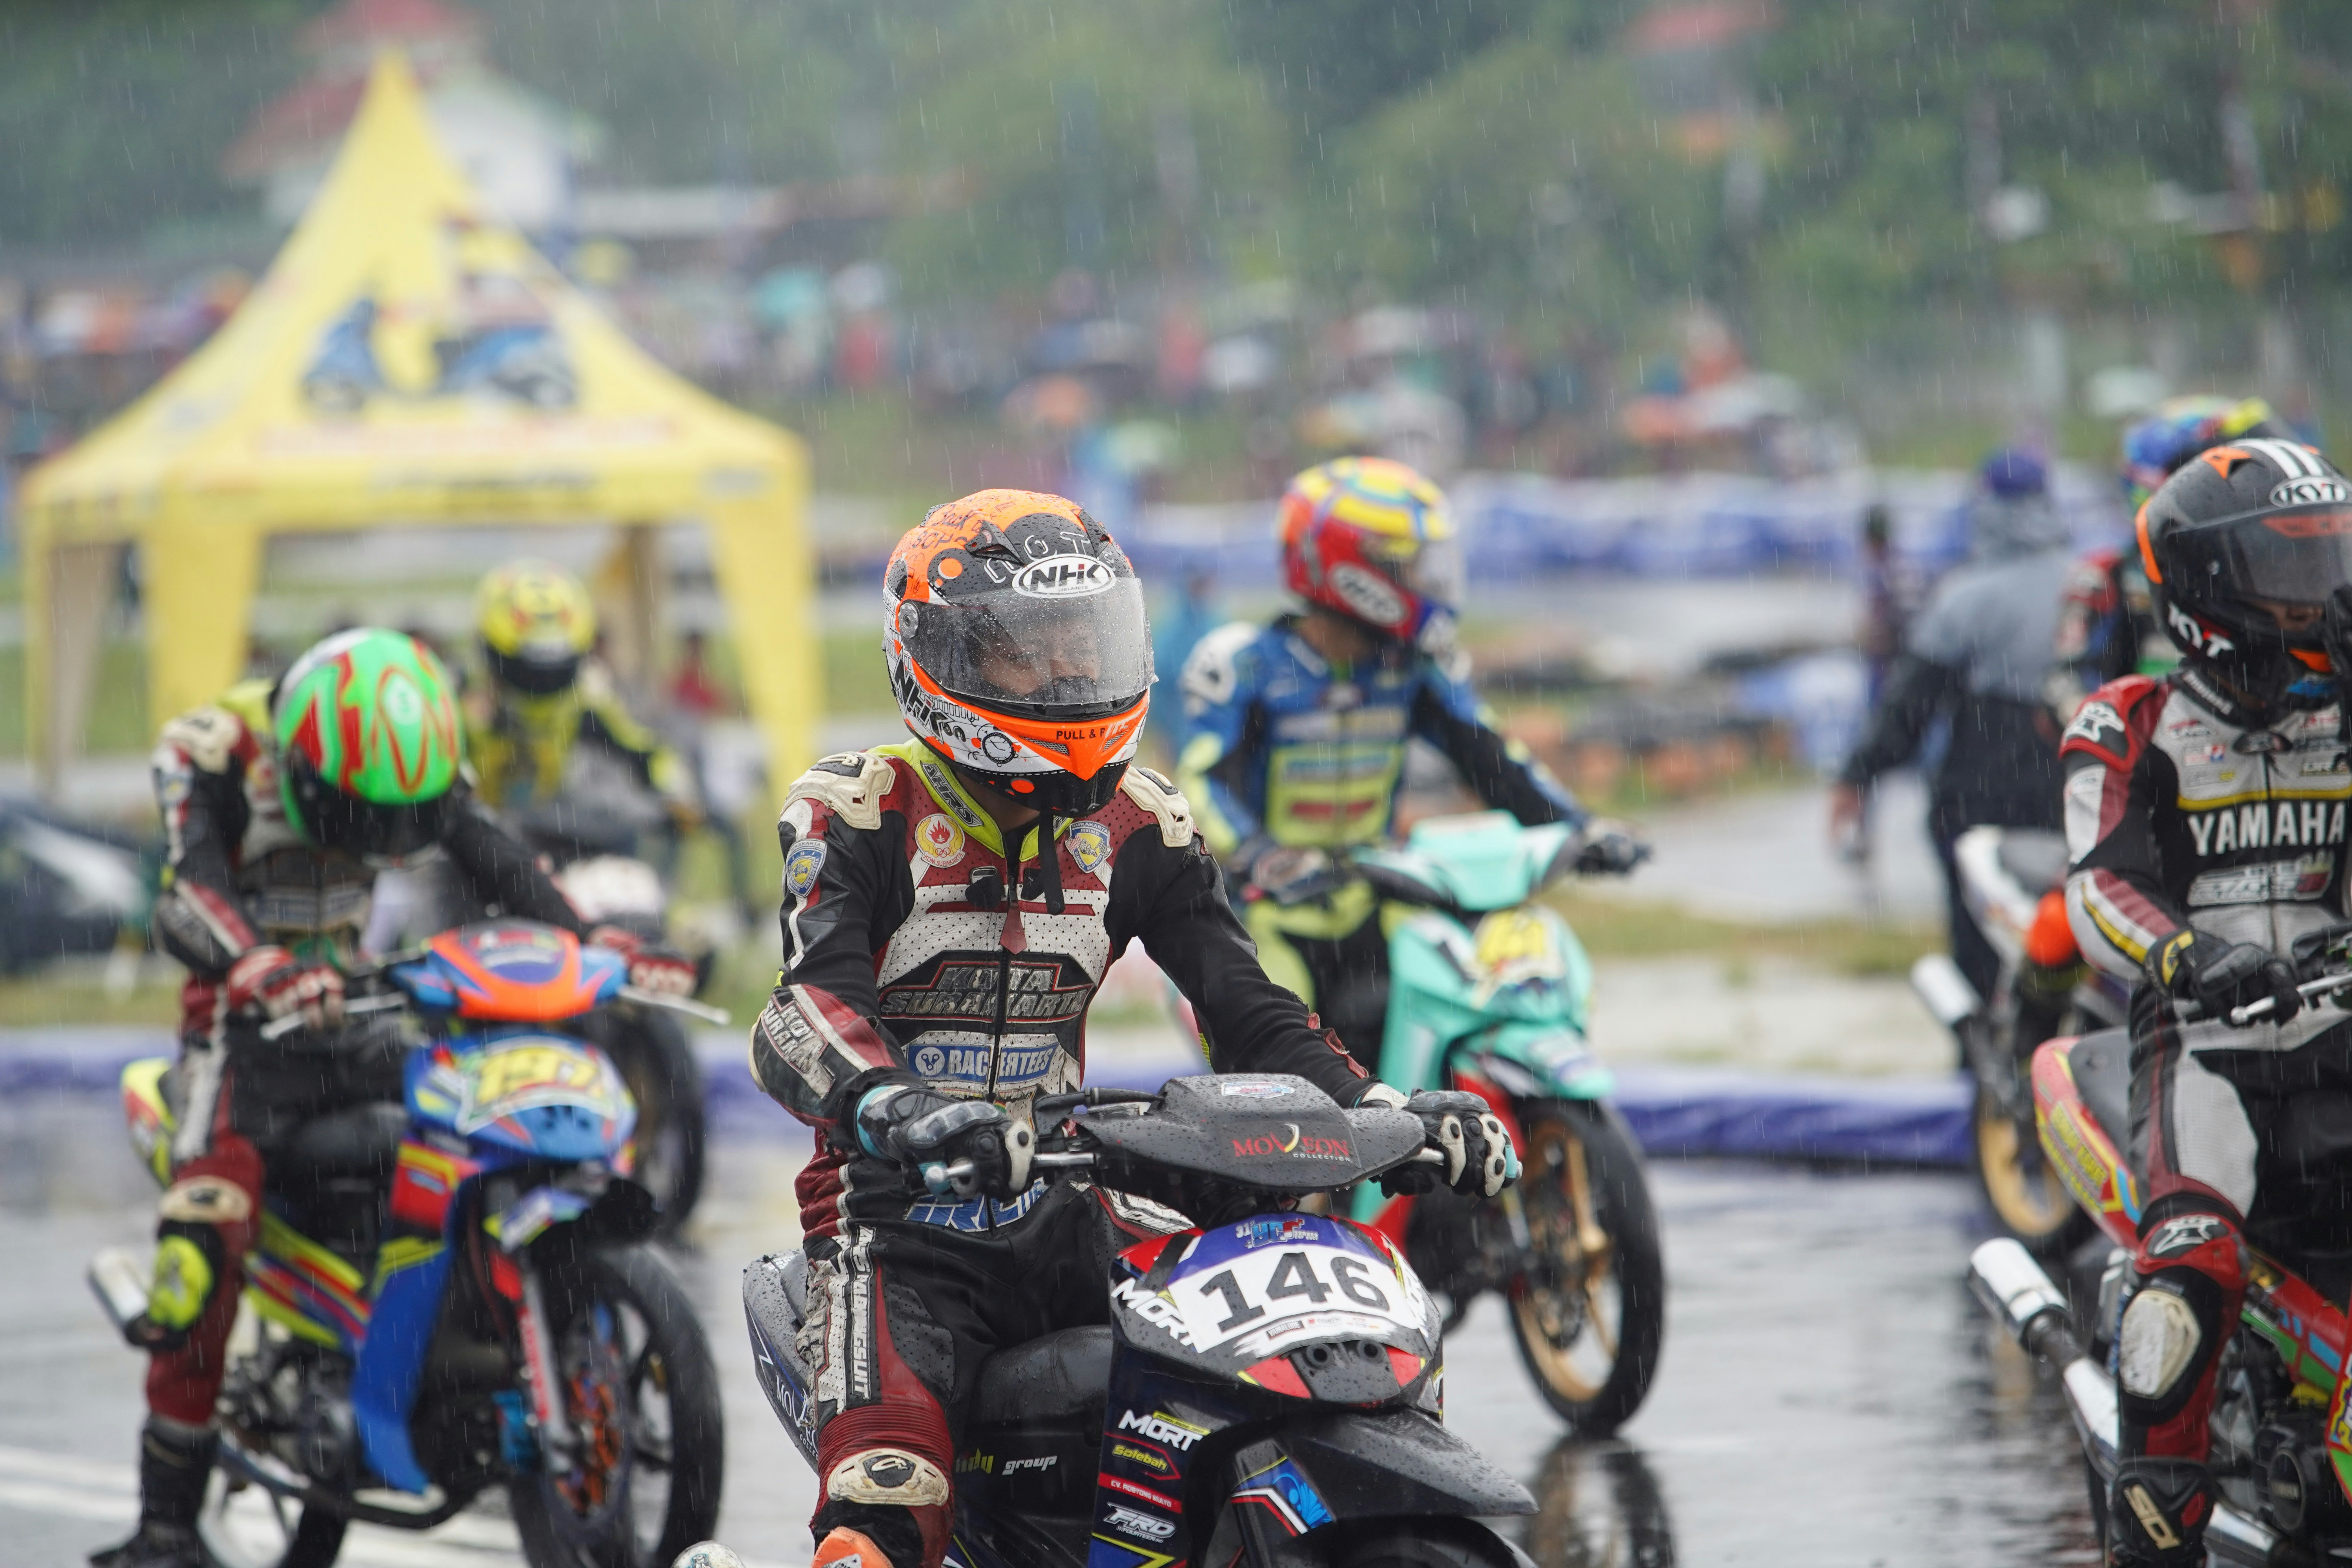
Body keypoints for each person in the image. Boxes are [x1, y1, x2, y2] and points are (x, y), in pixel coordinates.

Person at [749, 488, 1519, 1568]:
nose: (1067, 674)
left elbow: (1249, 1009)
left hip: (1073, 1202)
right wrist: (898, 1108)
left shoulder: (1142, 822)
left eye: (1084, 641)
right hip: (893, 1227)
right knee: (888, 1505)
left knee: (1274, 1382)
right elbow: (804, 1011)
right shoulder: (857, 811)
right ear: (938, 658)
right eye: (1025, 650)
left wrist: (1390, 1110)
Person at [94, 628, 692, 1568]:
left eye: (399, 821)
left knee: (479, 1125)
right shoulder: (216, 752)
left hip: (358, 1007)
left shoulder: (418, 766)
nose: (378, 839)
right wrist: (256, 963)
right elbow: (187, 892)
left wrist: (593, 939)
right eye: (360, 814)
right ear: (303, 763)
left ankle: (453, 1349)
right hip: (242, 1032)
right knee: (206, 1234)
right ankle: (163, 1520)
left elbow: (494, 854)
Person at [2060, 435, 2352, 1565]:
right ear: (2211, 593)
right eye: (2296, 570)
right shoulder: (2125, 724)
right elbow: (2100, 890)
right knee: (2190, 1267)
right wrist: (2187, 956)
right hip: (2202, 1045)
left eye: (2333, 558)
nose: (2325, 596)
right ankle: (2154, 1520)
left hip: (2341, 1034)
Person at [1175, 456, 1638, 1073]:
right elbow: (1203, 782)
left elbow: (1493, 760)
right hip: (1265, 913)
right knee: (1278, 1069)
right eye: (1408, 564)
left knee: (1472, 1000)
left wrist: (1580, 827)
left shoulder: (1413, 666)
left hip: (1381, 897)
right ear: (1350, 568)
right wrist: (1265, 855)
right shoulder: (1244, 665)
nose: (1427, 579)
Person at [1830, 447, 2071, 1001]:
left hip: (1983, 796)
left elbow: (1911, 704)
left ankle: (1985, 1033)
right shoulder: (2092, 585)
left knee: (1981, 951)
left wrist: (1858, 775)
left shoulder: (1964, 599)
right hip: (2076, 788)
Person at [2049, 397, 2291, 718]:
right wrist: (2122, 733)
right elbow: (2067, 683)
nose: (2253, 494)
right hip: (2160, 741)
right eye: (2237, 479)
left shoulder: (2290, 567)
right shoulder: (2108, 576)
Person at [465, 558, 695, 829]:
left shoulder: (585, 704)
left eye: (556, 669)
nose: (544, 682)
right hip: (471, 838)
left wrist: (676, 795)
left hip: (557, 833)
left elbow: (651, 753)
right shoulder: (463, 709)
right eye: (528, 670)